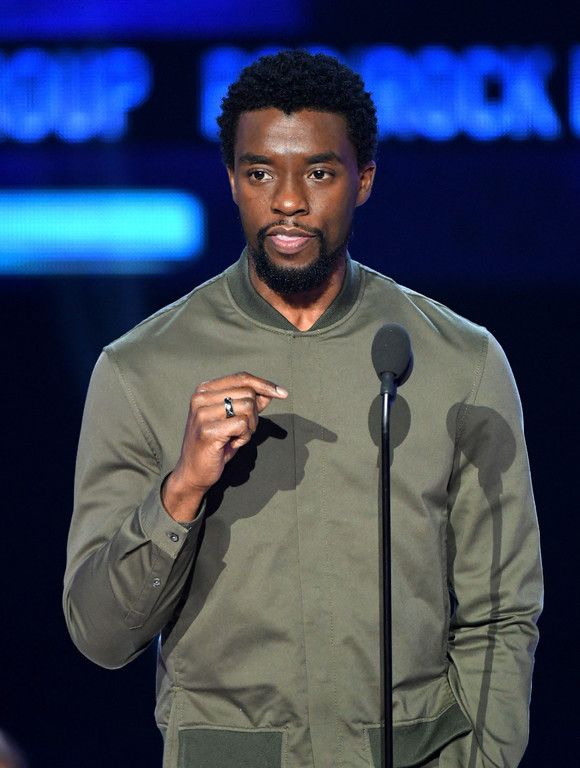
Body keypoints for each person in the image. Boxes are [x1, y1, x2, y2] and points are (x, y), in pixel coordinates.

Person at [63, 51, 543, 768]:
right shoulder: (139, 370)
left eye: (318, 173)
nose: (288, 201)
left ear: (364, 179)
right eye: (260, 173)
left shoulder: (460, 362)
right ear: (231, 180)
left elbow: (502, 612)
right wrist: (182, 489)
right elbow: (100, 635)